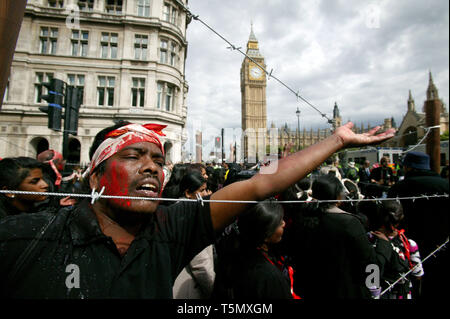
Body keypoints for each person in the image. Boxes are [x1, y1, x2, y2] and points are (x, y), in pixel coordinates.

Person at [0, 121, 395, 298]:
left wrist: (336, 141)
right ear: (93, 177)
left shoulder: (171, 227)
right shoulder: (26, 237)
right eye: (133, 156)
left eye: (158, 158)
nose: (152, 166)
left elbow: (261, 182)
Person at [290, 174, 393, 299]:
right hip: (344, 292)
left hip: (311, 291)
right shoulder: (349, 223)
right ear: (339, 197)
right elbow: (370, 267)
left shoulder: (302, 219)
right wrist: (384, 246)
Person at [388, 151, 449, 299]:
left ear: (408, 167)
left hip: (409, 246)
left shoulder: (399, 188)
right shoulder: (445, 185)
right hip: (441, 245)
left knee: (412, 284)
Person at [229, 200, 299, 299]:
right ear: (265, 235)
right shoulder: (268, 277)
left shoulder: (243, 251)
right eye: (279, 223)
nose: (284, 224)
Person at [357, 199, 424, 299]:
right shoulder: (409, 244)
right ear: (400, 219)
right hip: (401, 294)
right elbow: (417, 274)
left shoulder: (366, 240)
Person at [173, 171, 215, 299]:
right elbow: (201, 265)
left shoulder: (178, 210)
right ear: (187, 193)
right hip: (191, 289)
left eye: (206, 189)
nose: (206, 194)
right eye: (201, 190)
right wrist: (214, 292)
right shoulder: (190, 217)